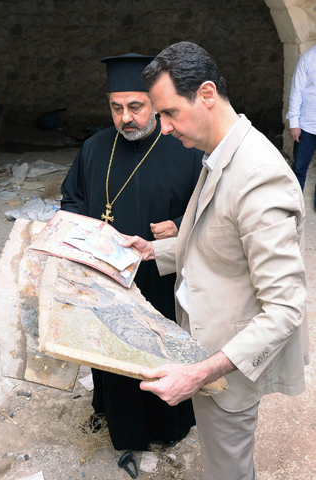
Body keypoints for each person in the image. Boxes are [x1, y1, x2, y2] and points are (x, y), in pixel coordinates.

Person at [123, 42, 309, 479]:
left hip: (227, 361)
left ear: (206, 94)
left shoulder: (259, 176)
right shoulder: (220, 149)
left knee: (227, 470)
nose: (163, 127)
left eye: (169, 113)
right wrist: (153, 250)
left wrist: (202, 371)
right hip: (207, 345)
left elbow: (284, 308)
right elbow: (220, 242)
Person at [61, 53, 203, 451]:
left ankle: (166, 425)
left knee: (160, 352)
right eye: (117, 108)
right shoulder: (93, 148)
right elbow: (71, 199)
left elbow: (209, 208)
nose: (126, 118)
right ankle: (120, 423)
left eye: (136, 107)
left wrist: (179, 223)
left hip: (160, 280)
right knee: (111, 351)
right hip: (106, 279)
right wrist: (83, 230)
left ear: (154, 105)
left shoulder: (186, 149)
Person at [287, 44, 316, 208]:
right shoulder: (308, 57)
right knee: (299, 168)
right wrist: (294, 124)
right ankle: (293, 207)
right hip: (307, 126)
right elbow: (296, 91)